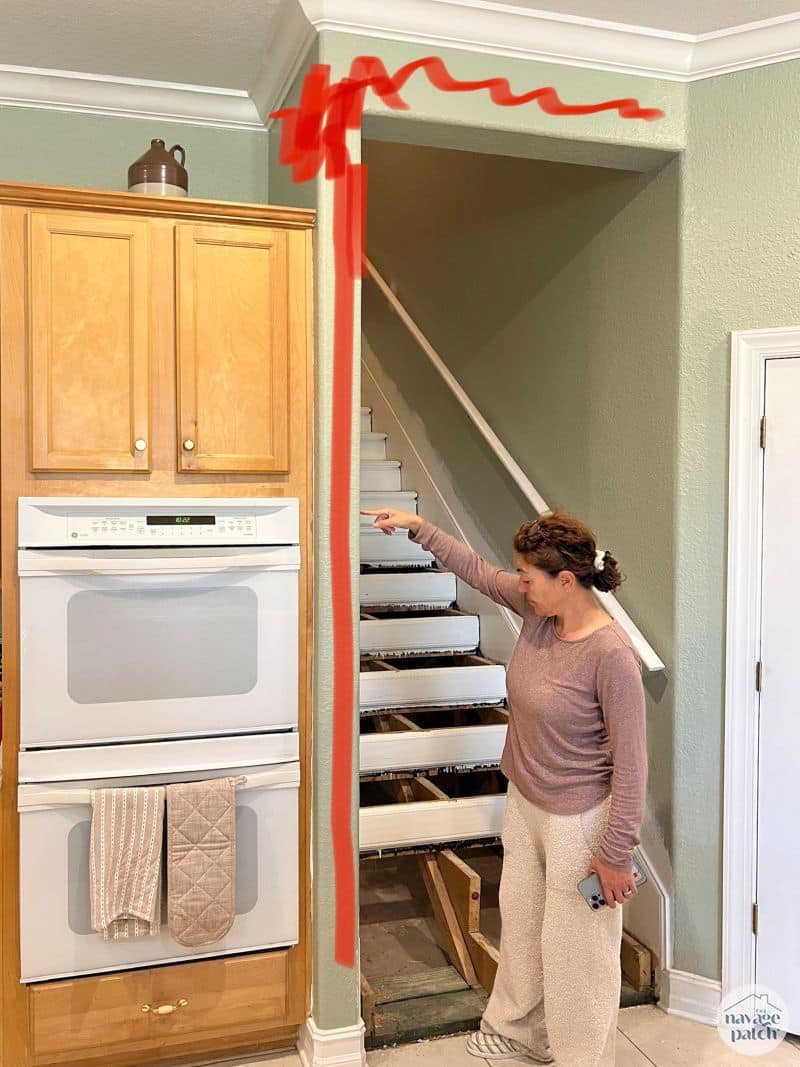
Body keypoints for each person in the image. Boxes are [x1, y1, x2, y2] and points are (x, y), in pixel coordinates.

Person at [360, 506, 648, 1067]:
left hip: (580, 820)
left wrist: (614, 855)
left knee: (577, 954)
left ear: (566, 581)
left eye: (528, 577)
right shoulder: (540, 613)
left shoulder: (611, 657)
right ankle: (521, 1031)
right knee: (521, 921)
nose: (519, 585)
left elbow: (633, 766)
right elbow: (477, 571)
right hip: (525, 801)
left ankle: (581, 1058)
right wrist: (420, 529)